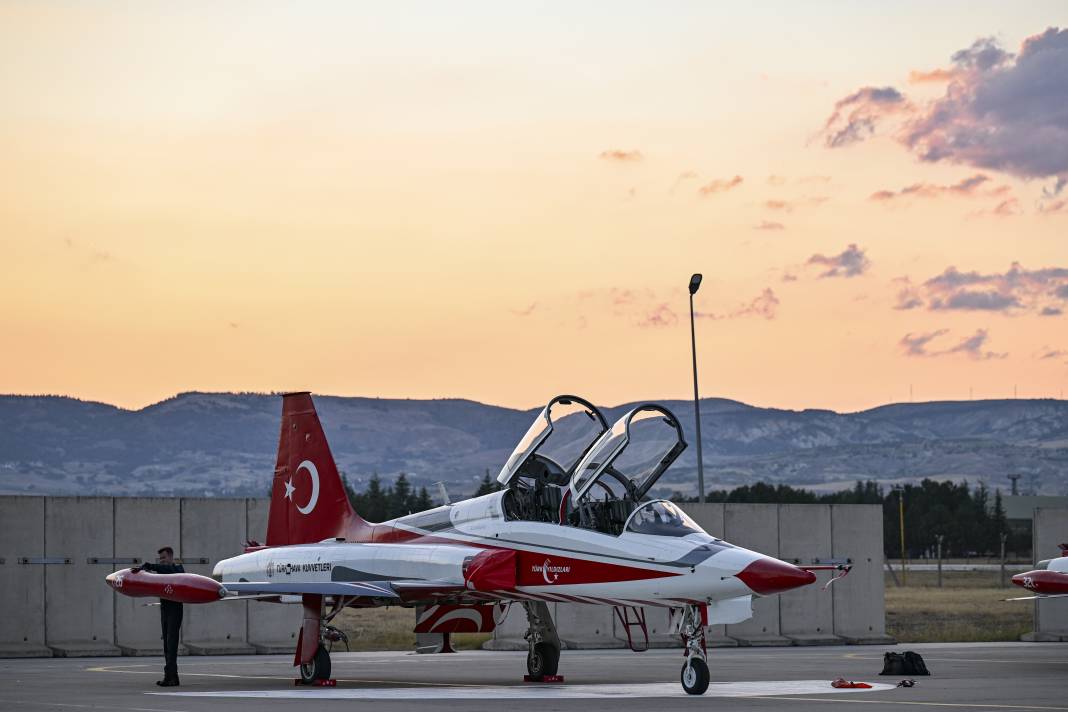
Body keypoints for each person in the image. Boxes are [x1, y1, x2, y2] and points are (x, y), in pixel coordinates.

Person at [137, 546, 185, 686]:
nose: (162, 561)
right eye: (160, 559)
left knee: (171, 644)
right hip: (165, 611)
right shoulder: (162, 572)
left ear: (170, 557)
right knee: (166, 645)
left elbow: (169, 571)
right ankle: (170, 677)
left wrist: (150, 566)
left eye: (164, 558)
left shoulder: (178, 570)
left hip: (175, 611)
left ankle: (172, 677)